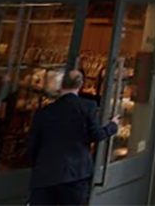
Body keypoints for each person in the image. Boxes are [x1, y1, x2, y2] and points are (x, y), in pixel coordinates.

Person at [27, 69, 119, 206]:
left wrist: (37, 163)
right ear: (80, 85)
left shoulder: (44, 112)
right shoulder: (87, 107)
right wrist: (112, 126)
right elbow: (97, 134)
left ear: (62, 85)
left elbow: (33, 144)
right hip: (75, 173)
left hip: (45, 174)